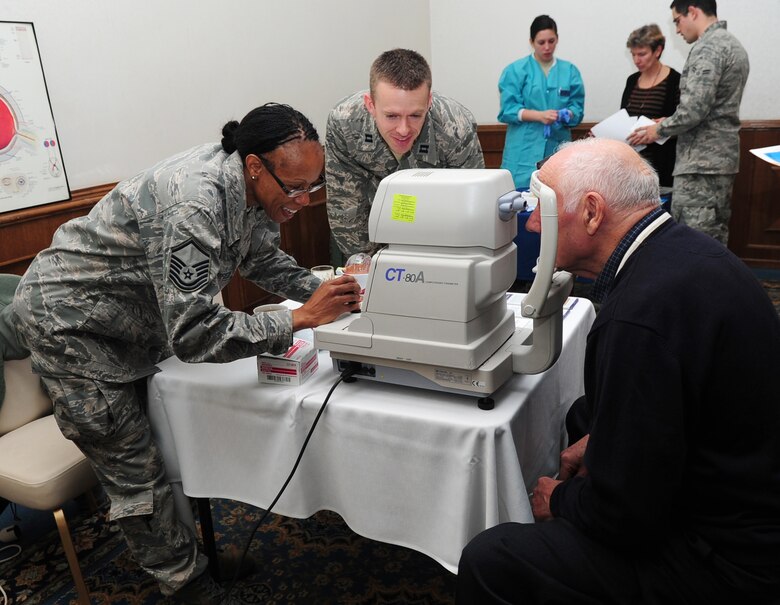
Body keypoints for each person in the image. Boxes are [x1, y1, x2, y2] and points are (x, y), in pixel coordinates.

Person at [11, 103, 362, 604]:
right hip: (72, 328)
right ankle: (187, 584)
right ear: (256, 166)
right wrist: (298, 318)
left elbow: (259, 256)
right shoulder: (194, 205)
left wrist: (327, 293)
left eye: (314, 186)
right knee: (135, 468)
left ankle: (194, 554)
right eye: (295, 188)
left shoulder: (251, 187)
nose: (305, 201)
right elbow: (196, 334)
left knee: (170, 441)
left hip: (129, 324)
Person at [456, 138, 780, 604]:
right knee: (585, 415)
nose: (529, 223)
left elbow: (628, 518)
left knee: (492, 559)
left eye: (541, 207)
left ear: (591, 212)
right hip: (743, 485)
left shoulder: (639, 317)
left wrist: (560, 501)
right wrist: (606, 438)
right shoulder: (687, 254)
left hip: (729, 560)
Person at [325, 48, 485, 258]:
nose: (403, 129)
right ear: (370, 105)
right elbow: (346, 207)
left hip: (436, 233)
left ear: (428, 103)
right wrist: (372, 268)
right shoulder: (345, 123)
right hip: (366, 229)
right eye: (391, 116)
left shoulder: (455, 126)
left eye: (415, 115)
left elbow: (471, 209)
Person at [628, 0, 749, 245]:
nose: (678, 30)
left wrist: (657, 129)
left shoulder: (708, 47)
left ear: (692, 12)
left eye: (677, 21)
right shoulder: (732, 44)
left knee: (695, 245)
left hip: (700, 166)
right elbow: (709, 108)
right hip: (718, 161)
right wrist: (670, 120)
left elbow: (694, 109)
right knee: (714, 242)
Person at [497, 14, 585, 189]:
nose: (547, 47)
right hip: (522, 152)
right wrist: (539, 116)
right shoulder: (515, 70)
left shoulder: (569, 71)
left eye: (551, 41)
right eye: (541, 42)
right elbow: (508, 110)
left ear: (557, 39)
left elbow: (577, 108)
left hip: (557, 148)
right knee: (519, 202)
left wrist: (567, 114)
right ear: (531, 42)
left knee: (557, 197)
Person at [621, 23, 680, 187]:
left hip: (663, 165)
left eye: (642, 54)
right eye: (633, 54)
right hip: (633, 166)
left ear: (658, 51)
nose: (636, 60)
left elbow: (682, 123)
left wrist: (658, 129)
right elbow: (624, 117)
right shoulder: (632, 80)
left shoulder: (675, 81)